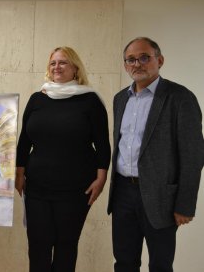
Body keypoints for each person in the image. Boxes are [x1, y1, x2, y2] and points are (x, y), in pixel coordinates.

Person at [107, 37, 204, 272]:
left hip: (161, 197)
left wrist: (185, 204)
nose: (137, 64)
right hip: (123, 193)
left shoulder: (180, 98)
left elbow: (193, 155)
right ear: (125, 65)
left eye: (144, 57)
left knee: (160, 265)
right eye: (131, 59)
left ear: (159, 60)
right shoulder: (120, 99)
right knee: (124, 262)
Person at [16, 46, 111, 272]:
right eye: (53, 63)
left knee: (66, 245)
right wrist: (19, 174)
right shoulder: (37, 99)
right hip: (37, 187)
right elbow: (24, 141)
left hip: (76, 189)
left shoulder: (90, 100)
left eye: (63, 62)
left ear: (75, 68)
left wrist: (102, 178)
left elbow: (103, 144)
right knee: (38, 245)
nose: (57, 67)